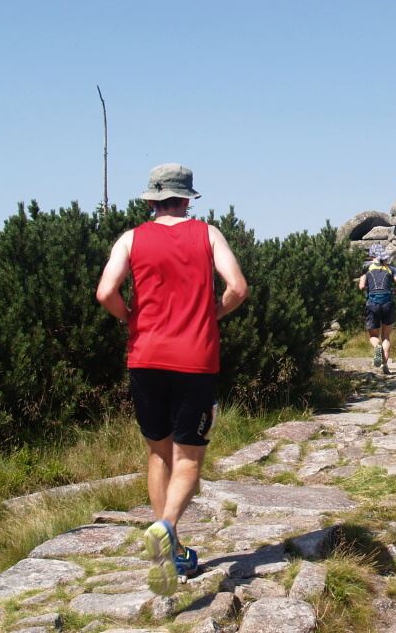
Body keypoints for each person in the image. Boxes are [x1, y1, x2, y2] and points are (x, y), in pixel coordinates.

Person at [96, 163, 248, 597]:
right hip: (195, 359)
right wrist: (213, 315)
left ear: (150, 200)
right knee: (189, 460)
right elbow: (237, 287)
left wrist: (131, 320)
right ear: (188, 199)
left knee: (158, 453)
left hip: (145, 357)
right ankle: (166, 527)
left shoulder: (131, 238)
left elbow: (106, 293)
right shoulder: (207, 234)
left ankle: (169, 551)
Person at [358, 244, 396, 374]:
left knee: (374, 335)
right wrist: (393, 292)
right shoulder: (391, 268)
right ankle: (385, 365)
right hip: (388, 304)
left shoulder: (366, 267)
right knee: (386, 336)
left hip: (372, 303)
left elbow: (361, 286)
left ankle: (377, 348)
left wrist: (369, 287)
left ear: (372, 255)